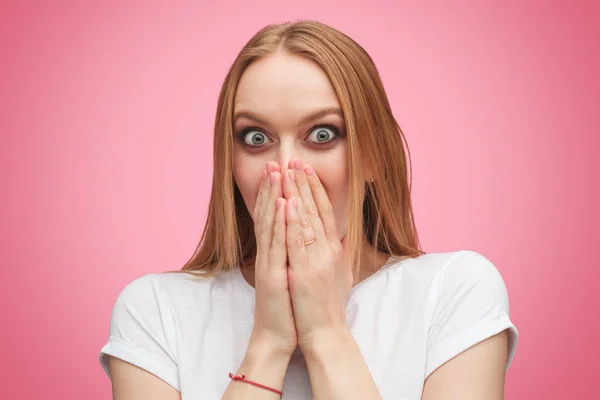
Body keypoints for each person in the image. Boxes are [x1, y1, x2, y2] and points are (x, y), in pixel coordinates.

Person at [99, 20, 518, 399]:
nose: (283, 169)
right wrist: (268, 341)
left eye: (321, 133)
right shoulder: (154, 309)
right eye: (256, 138)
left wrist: (325, 334)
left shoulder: (453, 292)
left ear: (371, 154)